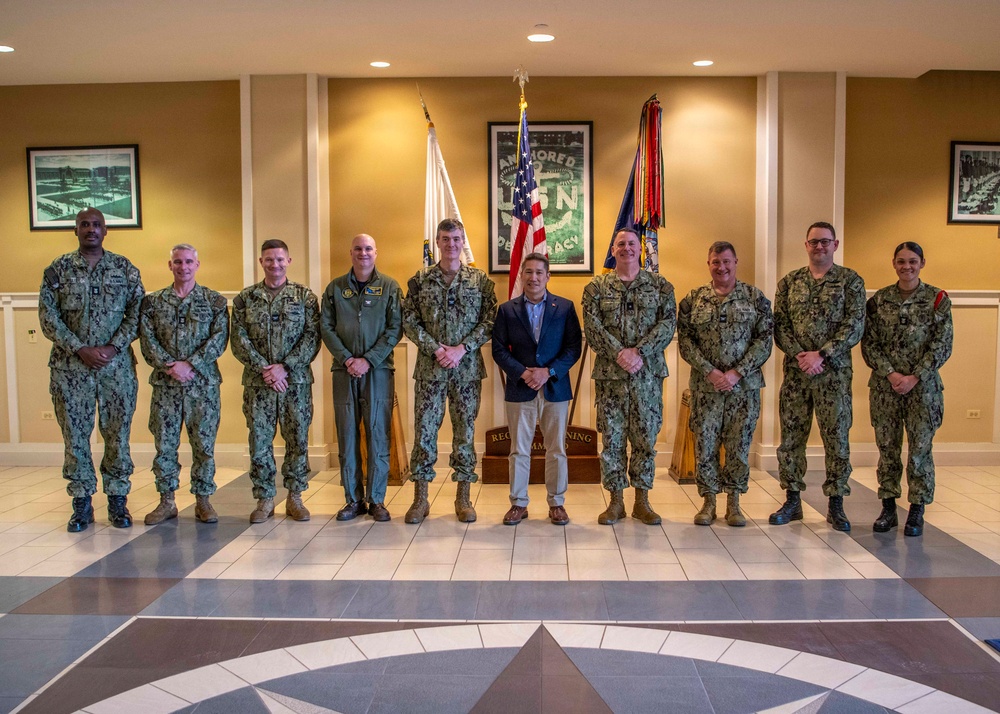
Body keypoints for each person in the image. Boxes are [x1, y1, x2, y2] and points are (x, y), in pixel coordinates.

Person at [39, 207, 144, 532]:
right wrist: (80, 348)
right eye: (84, 224)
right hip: (71, 370)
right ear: (76, 230)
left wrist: (112, 347)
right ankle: (81, 505)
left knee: (117, 437)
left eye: (96, 224)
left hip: (117, 370)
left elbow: (137, 313)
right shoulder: (57, 270)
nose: (91, 229)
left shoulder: (124, 269)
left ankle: (118, 502)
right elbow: (48, 317)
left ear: (105, 230)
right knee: (75, 438)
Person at [401, 218, 498, 524]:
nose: (451, 244)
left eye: (456, 239)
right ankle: (420, 499)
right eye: (445, 239)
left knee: (465, 435)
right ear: (438, 242)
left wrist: (462, 348)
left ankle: (464, 497)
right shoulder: (420, 280)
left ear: (462, 241)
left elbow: (490, 320)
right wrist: (436, 348)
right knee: (424, 434)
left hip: (466, 371)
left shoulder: (479, 281)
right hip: (430, 370)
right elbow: (409, 320)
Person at [771, 222, 865, 531]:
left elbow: (854, 325)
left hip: (833, 375)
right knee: (791, 439)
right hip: (797, 375)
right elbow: (780, 325)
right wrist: (801, 355)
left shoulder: (850, 281)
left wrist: (822, 354)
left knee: (836, 438)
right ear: (806, 244)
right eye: (814, 242)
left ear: (835, 244)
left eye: (825, 242)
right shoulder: (789, 283)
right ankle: (792, 500)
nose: (819, 247)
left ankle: (836, 503)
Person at [583, 228, 676, 526]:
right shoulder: (596, 288)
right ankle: (616, 502)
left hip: (647, 377)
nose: (626, 248)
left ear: (641, 248)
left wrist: (639, 352)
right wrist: (620, 353)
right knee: (612, 440)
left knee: (645, 439)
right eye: (621, 244)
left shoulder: (661, 286)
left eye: (632, 244)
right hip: (611, 377)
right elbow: (593, 327)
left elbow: (667, 324)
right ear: (613, 249)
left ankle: (642, 501)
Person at [678, 241, 773, 527]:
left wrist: (736, 373)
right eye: (716, 262)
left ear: (736, 262)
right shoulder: (693, 299)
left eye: (727, 262)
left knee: (738, 444)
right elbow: (685, 341)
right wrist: (710, 371)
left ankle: (734, 502)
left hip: (743, 388)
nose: (722, 267)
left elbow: (764, 341)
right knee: (705, 445)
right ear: (709, 264)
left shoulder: (755, 298)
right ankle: (708, 502)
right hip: (706, 388)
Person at [862, 242, 952, 537]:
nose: (907, 267)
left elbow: (942, 344)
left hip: (923, 389)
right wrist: (890, 374)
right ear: (894, 263)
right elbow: (870, 344)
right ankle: (888, 507)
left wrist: (914, 376)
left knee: (919, 451)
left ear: (922, 263)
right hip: (885, 388)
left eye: (913, 261)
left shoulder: (937, 298)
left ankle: (916, 510)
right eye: (901, 262)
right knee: (887, 449)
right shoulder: (878, 301)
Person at [231, 239, 321, 524]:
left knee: (297, 439)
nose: (275, 264)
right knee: (260, 442)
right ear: (261, 262)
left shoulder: (305, 297)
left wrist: (285, 367)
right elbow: (238, 339)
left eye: (280, 259)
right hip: (259, 385)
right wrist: (265, 369)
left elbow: (312, 337)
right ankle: (265, 498)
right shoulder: (246, 298)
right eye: (269, 259)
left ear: (289, 261)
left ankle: (295, 497)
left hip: (295, 384)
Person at [139, 244, 229, 525]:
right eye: (178, 262)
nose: (183, 267)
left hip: (202, 385)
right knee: (164, 445)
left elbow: (219, 339)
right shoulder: (153, 303)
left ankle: (203, 501)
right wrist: (170, 365)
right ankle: (167, 501)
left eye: (189, 261)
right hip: (166, 386)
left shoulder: (213, 301)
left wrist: (190, 364)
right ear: (170, 266)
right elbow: (147, 340)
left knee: (203, 444)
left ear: (197, 265)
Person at [492, 253, 583, 526]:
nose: (533, 277)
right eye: (528, 272)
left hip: (555, 388)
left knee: (556, 449)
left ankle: (557, 503)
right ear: (522, 275)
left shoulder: (564, 308)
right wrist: (524, 372)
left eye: (539, 273)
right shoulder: (507, 310)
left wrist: (549, 372)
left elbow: (573, 349)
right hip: (521, 388)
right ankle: (518, 503)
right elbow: (498, 349)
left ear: (548, 276)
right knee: (519, 449)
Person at [321, 234, 403, 522]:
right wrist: (347, 359)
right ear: (351, 252)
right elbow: (326, 329)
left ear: (376, 252)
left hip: (378, 370)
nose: (363, 253)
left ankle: (377, 499)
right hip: (343, 371)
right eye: (358, 248)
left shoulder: (390, 287)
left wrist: (368, 359)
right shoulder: (335, 289)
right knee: (347, 435)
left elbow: (395, 329)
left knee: (378, 433)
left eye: (368, 248)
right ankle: (353, 500)